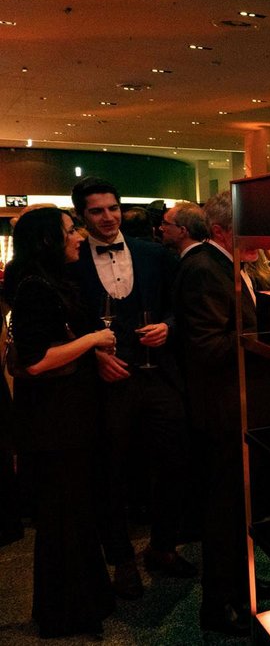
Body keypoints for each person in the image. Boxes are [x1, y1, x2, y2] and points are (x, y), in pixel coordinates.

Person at [68, 177, 194, 600]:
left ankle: (163, 546)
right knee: (111, 472)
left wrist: (168, 327)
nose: (108, 217)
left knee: (174, 461)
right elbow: (66, 324)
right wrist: (93, 356)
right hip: (107, 381)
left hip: (157, 375)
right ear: (82, 216)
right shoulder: (72, 261)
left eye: (113, 208)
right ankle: (121, 560)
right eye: (97, 211)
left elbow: (179, 306)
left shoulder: (153, 253)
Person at [4, 207, 117, 639]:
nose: (79, 236)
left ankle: (83, 603)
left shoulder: (48, 281)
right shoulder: (36, 288)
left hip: (66, 417)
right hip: (53, 423)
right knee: (63, 517)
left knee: (74, 514)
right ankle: (66, 613)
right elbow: (35, 362)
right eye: (71, 230)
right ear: (49, 240)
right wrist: (93, 340)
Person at [172, 191, 270, 635]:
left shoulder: (233, 264)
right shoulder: (204, 268)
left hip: (244, 405)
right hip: (224, 411)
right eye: (250, 230)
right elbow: (206, 347)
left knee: (244, 507)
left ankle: (244, 585)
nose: (263, 239)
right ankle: (219, 606)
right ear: (219, 231)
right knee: (225, 512)